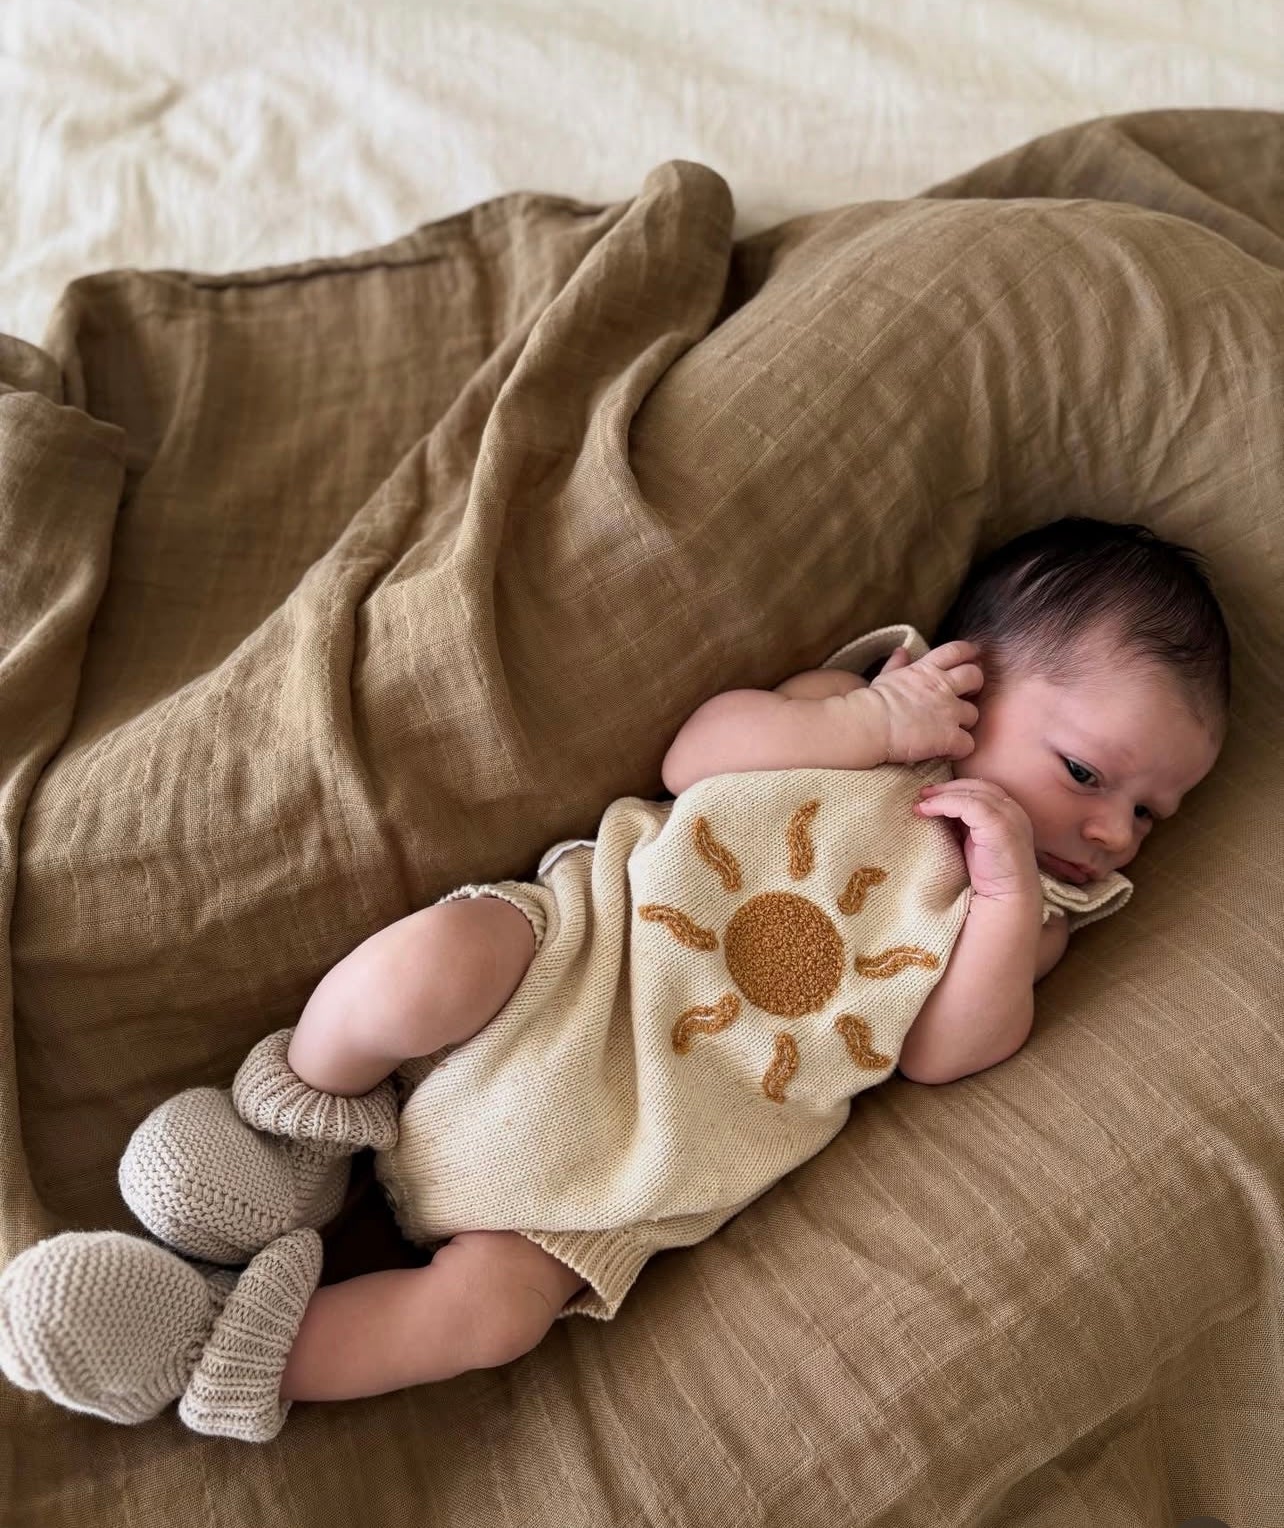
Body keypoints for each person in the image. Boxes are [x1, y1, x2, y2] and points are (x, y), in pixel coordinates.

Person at [0, 517, 1230, 1442]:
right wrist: (870, 728)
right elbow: (701, 753)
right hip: (572, 968)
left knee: (490, 1319)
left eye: (1149, 813)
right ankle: (287, 1138)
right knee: (425, 962)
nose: (1115, 830)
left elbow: (944, 1050)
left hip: (632, 1161)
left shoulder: (1034, 911)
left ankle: (215, 1346)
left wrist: (1011, 893)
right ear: (974, 671)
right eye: (1087, 771)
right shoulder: (863, 707)